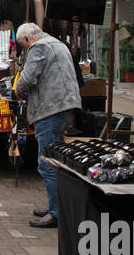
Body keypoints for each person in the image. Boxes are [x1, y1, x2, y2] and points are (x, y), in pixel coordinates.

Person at [13, 22, 82, 229]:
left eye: (23, 46)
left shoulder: (39, 47)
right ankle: (57, 206)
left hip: (51, 108)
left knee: (47, 162)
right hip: (65, 106)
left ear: (27, 40)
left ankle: (56, 213)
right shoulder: (57, 43)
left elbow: (29, 77)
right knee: (56, 160)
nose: (25, 49)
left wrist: (18, 88)